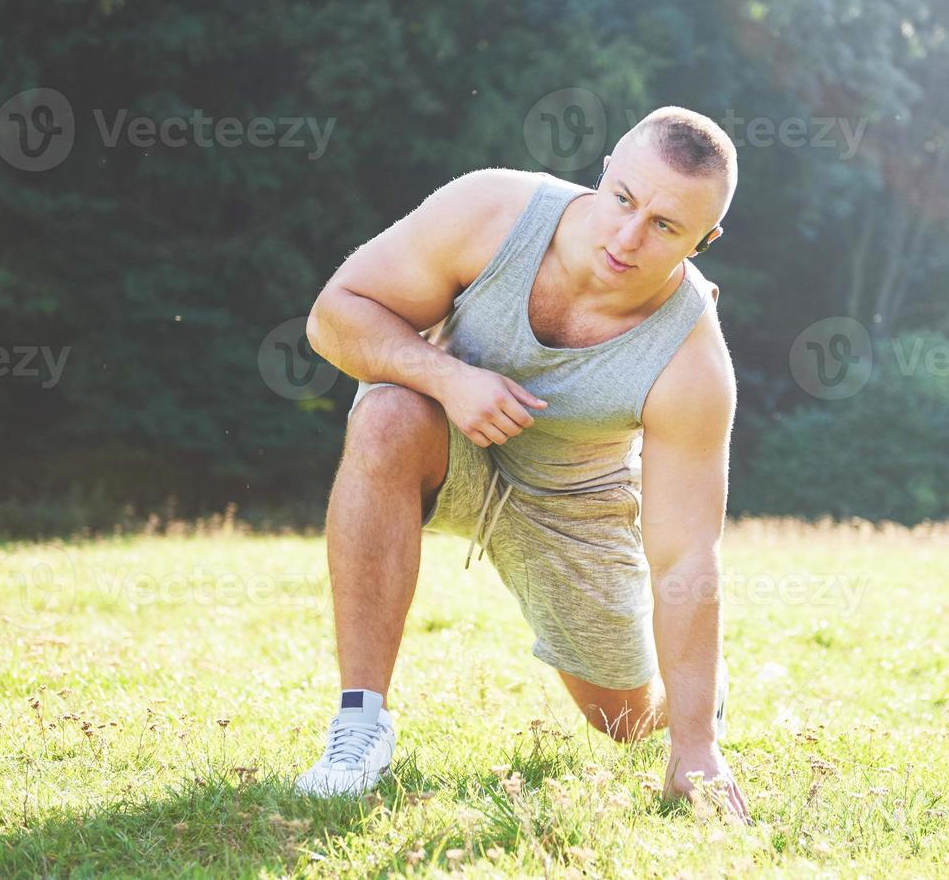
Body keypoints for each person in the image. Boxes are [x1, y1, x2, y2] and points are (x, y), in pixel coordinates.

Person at [293, 106, 747, 822]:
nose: (627, 237)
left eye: (664, 227)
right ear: (603, 175)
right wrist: (447, 379)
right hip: (448, 436)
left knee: (621, 722)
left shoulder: (692, 361)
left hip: (573, 504)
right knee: (382, 414)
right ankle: (358, 729)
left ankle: (694, 695)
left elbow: (685, 557)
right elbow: (334, 316)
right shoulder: (489, 211)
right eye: (624, 200)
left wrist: (695, 749)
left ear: (704, 240)